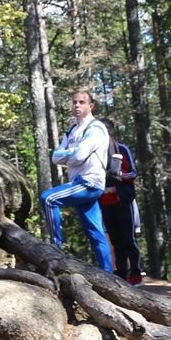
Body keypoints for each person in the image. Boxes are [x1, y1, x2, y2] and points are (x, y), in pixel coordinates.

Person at [41, 91, 113, 273]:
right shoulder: (72, 131)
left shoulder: (96, 128)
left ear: (91, 106)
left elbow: (79, 156)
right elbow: (55, 157)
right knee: (96, 233)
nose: (77, 105)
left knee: (48, 199)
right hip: (79, 184)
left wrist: (69, 155)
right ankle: (109, 276)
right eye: (74, 102)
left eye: (82, 102)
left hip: (89, 182)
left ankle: (55, 247)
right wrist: (73, 154)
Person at [98, 119, 143, 285]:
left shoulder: (122, 149)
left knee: (129, 238)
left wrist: (118, 176)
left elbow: (133, 173)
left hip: (123, 200)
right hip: (105, 201)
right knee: (115, 240)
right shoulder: (96, 151)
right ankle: (122, 274)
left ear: (110, 132)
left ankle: (136, 273)